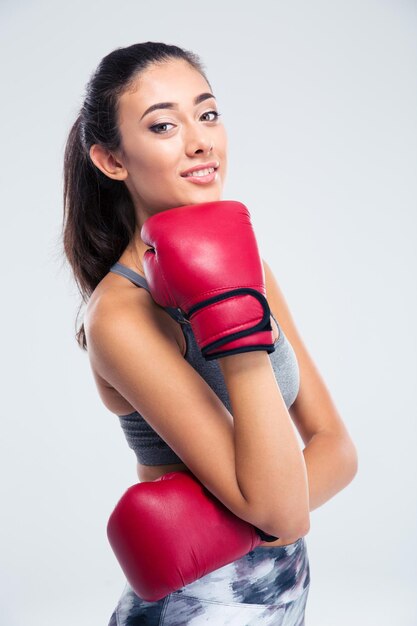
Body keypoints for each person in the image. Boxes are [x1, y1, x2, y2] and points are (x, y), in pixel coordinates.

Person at [62, 41, 358, 626]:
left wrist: (258, 517)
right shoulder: (120, 316)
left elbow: (338, 451)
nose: (200, 141)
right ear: (111, 160)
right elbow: (282, 511)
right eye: (164, 125)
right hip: (194, 607)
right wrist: (274, 512)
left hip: (280, 594)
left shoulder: (251, 268)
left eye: (209, 113)